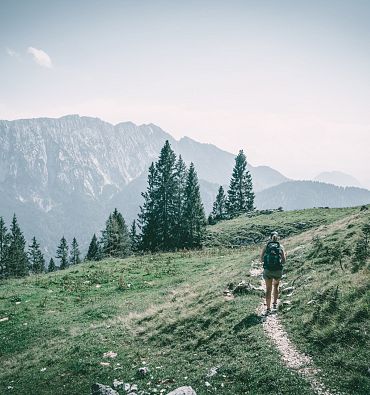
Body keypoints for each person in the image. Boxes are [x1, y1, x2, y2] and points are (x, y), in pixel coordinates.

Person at [260, 231, 286, 314]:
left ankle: (268, 308)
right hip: (278, 270)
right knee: (276, 286)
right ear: (278, 237)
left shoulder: (266, 246)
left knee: (268, 289)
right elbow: (284, 261)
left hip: (268, 270)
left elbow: (261, 259)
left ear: (270, 237)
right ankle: (274, 304)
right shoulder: (280, 246)